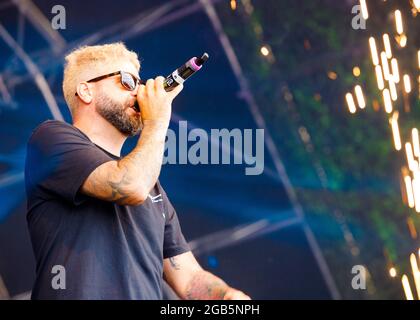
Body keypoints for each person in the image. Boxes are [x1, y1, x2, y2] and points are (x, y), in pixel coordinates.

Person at [24, 42, 250, 300]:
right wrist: (158, 119)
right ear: (86, 91)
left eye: (140, 84)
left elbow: (187, 277)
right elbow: (129, 185)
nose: (139, 93)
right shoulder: (51, 139)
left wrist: (226, 297)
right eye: (127, 82)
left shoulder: (154, 189)